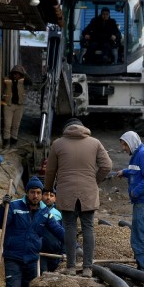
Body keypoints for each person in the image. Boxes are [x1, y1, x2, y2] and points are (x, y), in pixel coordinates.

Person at [44, 118, 112, 278]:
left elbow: (50, 170)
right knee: (88, 227)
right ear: (83, 128)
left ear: (67, 129)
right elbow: (107, 165)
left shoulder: (58, 144)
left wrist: (47, 187)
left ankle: (71, 267)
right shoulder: (95, 143)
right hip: (88, 193)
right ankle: (88, 268)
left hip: (66, 192)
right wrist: (94, 180)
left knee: (69, 228)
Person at [0, 176, 66, 287]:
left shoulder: (45, 212)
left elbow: (58, 231)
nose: (35, 196)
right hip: (13, 258)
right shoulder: (14, 206)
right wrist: (3, 207)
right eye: (32, 192)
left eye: (38, 193)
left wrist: (74, 246)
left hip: (31, 260)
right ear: (27, 193)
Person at [116, 131, 144, 274]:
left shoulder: (143, 154)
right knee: (139, 235)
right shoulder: (138, 155)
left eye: (125, 145)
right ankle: (142, 267)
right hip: (142, 201)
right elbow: (137, 171)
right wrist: (125, 172)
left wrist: (136, 192)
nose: (124, 148)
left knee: (139, 237)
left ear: (132, 142)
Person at [2, 65, 31, 150]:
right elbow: (1, 87)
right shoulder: (7, 79)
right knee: (7, 124)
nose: (16, 76)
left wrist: (24, 72)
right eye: (15, 74)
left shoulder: (23, 81)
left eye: (18, 74)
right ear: (12, 73)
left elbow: (30, 82)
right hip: (8, 105)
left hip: (19, 106)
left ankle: (13, 143)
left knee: (16, 125)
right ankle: (6, 143)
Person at [39, 188, 64, 273]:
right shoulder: (36, 210)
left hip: (55, 254)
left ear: (55, 199)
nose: (48, 197)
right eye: (46, 194)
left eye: (51, 195)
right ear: (41, 196)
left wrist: (64, 251)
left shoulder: (58, 214)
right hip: (40, 253)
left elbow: (63, 233)